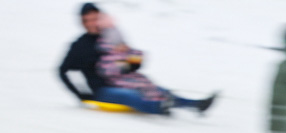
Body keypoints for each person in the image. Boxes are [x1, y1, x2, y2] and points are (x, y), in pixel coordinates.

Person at [59, 3, 216, 115]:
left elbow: (132, 64)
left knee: (157, 90)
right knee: (131, 97)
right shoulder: (79, 46)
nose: (92, 23)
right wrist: (80, 94)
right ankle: (159, 107)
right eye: (88, 20)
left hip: (125, 80)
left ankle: (196, 105)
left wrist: (133, 60)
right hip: (102, 90)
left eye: (95, 19)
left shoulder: (110, 37)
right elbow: (62, 71)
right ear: (83, 22)